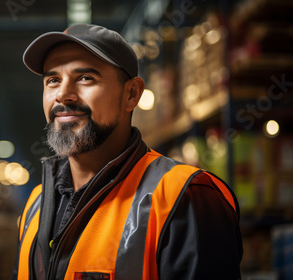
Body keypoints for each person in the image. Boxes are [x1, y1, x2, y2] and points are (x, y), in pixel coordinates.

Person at [13, 24, 242, 280]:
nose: (63, 95)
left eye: (85, 78)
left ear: (131, 95)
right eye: (53, 80)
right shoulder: (36, 202)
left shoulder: (186, 196)